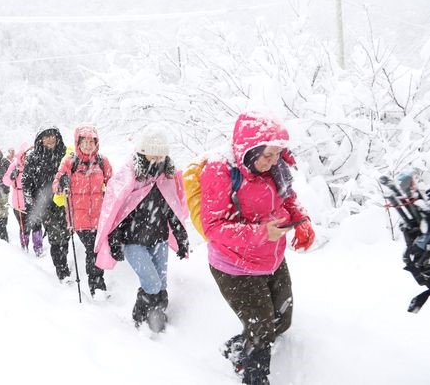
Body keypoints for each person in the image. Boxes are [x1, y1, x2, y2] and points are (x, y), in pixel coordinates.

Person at [200, 113, 315, 385]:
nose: (274, 160)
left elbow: (288, 198)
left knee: (282, 319)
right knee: (263, 330)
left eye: (278, 154)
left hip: (271, 259)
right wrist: (262, 233)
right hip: (234, 265)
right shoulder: (220, 171)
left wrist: (302, 221)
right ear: (249, 150)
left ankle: (237, 349)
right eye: (268, 155)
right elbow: (213, 227)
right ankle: (254, 377)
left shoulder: (275, 168)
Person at [95, 124, 189, 328]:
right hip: (133, 242)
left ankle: (157, 320)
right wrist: (115, 241)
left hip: (159, 239)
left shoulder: (167, 178)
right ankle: (139, 319)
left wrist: (182, 239)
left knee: (161, 285)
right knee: (152, 283)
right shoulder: (129, 177)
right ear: (141, 154)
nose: (157, 161)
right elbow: (117, 213)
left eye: (161, 156)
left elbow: (172, 211)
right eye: (152, 156)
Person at [52, 125, 113, 298]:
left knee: (96, 249)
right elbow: (56, 185)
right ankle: (97, 287)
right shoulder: (70, 162)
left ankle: (97, 284)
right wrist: (62, 183)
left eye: (91, 141)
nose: (88, 145)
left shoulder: (102, 162)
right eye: (84, 141)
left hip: (99, 217)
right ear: (78, 142)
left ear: (96, 143)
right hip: (79, 217)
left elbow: (113, 184)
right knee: (92, 250)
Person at [22, 127, 71, 281]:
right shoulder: (34, 158)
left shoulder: (66, 155)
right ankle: (62, 271)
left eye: (53, 136)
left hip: (65, 202)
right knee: (56, 237)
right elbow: (27, 181)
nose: (50, 139)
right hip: (46, 205)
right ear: (40, 140)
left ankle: (63, 263)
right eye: (46, 137)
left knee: (66, 235)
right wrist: (30, 199)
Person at [3, 142, 44, 255]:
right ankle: (24, 246)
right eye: (26, 154)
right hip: (19, 201)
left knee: (36, 224)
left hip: (34, 200)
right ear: (22, 155)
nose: (29, 157)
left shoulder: (37, 164)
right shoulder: (15, 165)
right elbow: (5, 181)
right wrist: (12, 176)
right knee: (24, 226)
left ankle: (38, 248)